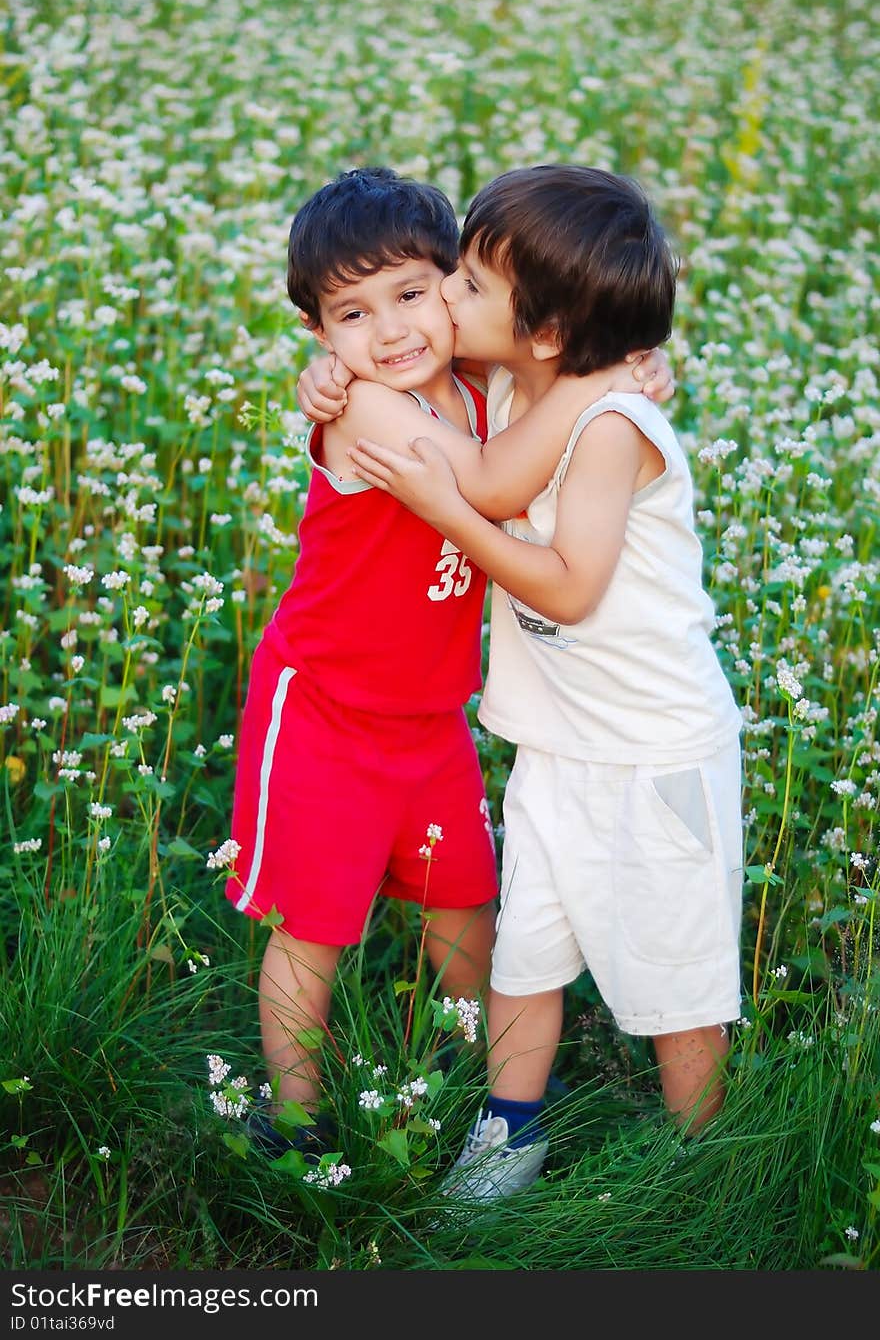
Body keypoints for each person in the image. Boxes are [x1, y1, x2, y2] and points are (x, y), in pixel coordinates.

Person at [316, 164, 744, 1200]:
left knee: (673, 979)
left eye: (464, 284)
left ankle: (700, 1160)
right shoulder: (521, 388)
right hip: (556, 742)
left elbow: (564, 582)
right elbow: (475, 444)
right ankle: (510, 1129)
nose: (443, 301)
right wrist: (322, 376)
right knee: (526, 955)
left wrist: (449, 509)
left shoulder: (609, 426)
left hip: (653, 752)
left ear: (544, 331)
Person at [225, 166, 672, 1157]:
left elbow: (549, 403)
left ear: (458, 288)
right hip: (324, 713)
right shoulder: (366, 412)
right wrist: (602, 385)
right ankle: (294, 1115)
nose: (386, 330)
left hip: (429, 716)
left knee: (466, 908)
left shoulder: (486, 390)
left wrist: (630, 373)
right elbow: (480, 479)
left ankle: (481, 1077)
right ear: (318, 337)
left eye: (413, 292)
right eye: (350, 312)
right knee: (315, 926)